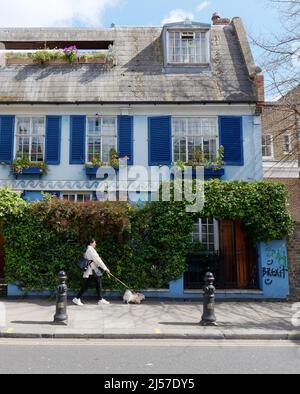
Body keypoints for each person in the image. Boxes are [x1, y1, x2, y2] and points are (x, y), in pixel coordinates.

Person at [73, 239, 111, 306]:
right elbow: (98, 260)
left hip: (93, 270)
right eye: (94, 243)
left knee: (98, 284)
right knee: (88, 285)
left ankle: (100, 299)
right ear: (91, 243)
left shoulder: (89, 249)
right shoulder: (91, 250)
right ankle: (77, 298)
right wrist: (105, 268)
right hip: (92, 270)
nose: (95, 244)